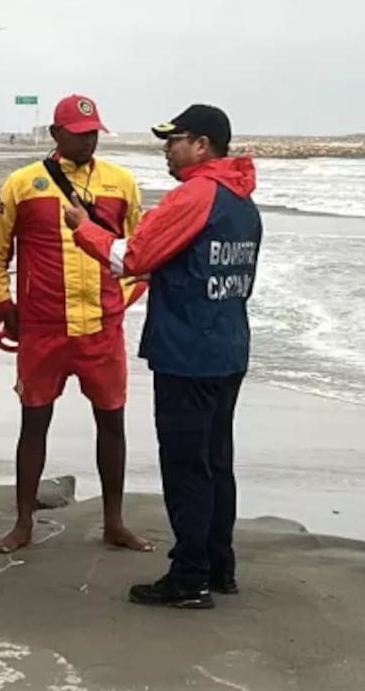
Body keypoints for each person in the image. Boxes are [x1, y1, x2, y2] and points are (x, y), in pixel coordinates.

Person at [65, 104, 261, 609]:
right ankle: (219, 565)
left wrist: (82, 228)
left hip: (188, 352)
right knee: (218, 462)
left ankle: (190, 576)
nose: (166, 150)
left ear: (201, 145)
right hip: (229, 347)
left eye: (174, 141)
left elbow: (131, 258)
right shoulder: (243, 202)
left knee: (186, 465)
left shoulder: (194, 195)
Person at [0, 94, 152, 554]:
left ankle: (114, 521)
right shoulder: (23, 184)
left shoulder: (121, 183)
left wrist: (122, 300)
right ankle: (22, 525)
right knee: (34, 423)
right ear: (56, 135)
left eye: (94, 131)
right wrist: (3, 304)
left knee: (111, 423)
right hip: (43, 327)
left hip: (100, 329)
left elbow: (139, 253)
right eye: (79, 133)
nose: (88, 139)